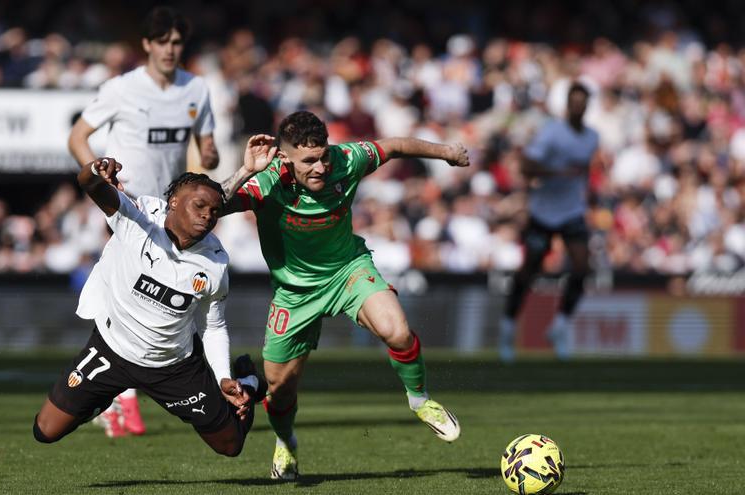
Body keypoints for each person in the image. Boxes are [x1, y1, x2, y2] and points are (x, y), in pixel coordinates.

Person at [219, 113, 470, 480]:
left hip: (347, 271)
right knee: (279, 388)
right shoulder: (268, 181)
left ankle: (421, 401)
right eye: (309, 161)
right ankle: (286, 443)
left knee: (397, 330)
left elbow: (396, 145)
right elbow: (212, 205)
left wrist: (447, 151)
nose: (320, 166)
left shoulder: (347, 159)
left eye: (323, 155)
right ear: (285, 158)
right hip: (295, 292)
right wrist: (244, 172)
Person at [33, 158, 265, 457]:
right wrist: (95, 171)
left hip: (174, 367)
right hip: (111, 350)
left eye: (215, 212)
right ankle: (101, 398)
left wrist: (223, 377)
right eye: (199, 207)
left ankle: (249, 381)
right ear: (174, 203)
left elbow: (213, 326)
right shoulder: (137, 219)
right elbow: (89, 185)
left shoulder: (215, 262)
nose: (208, 216)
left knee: (231, 447)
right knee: (45, 431)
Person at [67, 6, 219, 436]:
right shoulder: (121, 89)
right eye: (164, 42)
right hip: (130, 209)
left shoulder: (197, 89)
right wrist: (99, 177)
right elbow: (77, 137)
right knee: (121, 293)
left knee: (170, 304)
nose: (171, 50)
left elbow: (207, 149)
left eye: (177, 43)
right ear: (148, 45)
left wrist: (209, 156)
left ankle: (127, 394)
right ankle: (117, 396)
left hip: (172, 216)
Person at [498, 82, 599, 363]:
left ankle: (560, 327)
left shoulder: (592, 137)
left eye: (584, 103)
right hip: (543, 211)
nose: (579, 107)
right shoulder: (553, 132)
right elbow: (526, 165)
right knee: (529, 270)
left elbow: (584, 171)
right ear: (568, 105)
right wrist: (556, 172)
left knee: (582, 266)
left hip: (571, 211)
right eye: (575, 102)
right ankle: (508, 328)